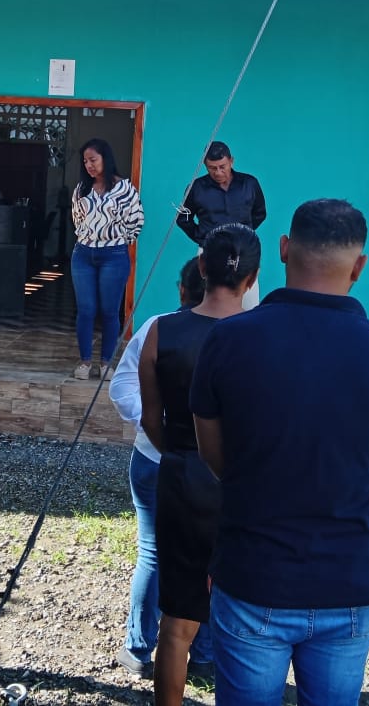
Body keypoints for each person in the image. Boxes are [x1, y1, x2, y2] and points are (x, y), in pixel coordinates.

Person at [191, 199, 369, 706]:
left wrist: (262, 489)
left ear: (282, 250)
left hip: (253, 572)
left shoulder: (228, 341)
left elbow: (214, 454)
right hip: (349, 581)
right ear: (359, 267)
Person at [139, 224, 260, 706]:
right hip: (246, 486)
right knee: (249, 620)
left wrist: (182, 451)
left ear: (202, 267)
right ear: (253, 278)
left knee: (177, 623)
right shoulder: (262, 337)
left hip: (183, 477)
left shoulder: (161, 331)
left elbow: (151, 421)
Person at [107, 257, 214, 681]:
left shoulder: (157, 328)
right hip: (203, 465)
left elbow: (122, 387)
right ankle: (200, 655)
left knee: (154, 551)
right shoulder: (240, 333)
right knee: (208, 557)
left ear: (182, 290)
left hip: (158, 457)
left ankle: (142, 648)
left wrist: (157, 427)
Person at [70, 137, 145, 379]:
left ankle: (106, 364)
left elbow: (136, 221)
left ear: (105, 158)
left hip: (114, 255)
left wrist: (115, 241)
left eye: (93, 160)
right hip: (83, 254)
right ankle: (84, 362)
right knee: (86, 309)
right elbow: (77, 220)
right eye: (85, 161)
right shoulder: (81, 189)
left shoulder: (125, 189)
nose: (89, 165)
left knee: (110, 311)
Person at [176, 141, 267, 309]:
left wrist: (244, 233)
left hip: (243, 250)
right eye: (212, 168)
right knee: (208, 302)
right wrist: (201, 237)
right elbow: (182, 218)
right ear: (205, 165)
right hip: (209, 251)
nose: (218, 172)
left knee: (249, 303)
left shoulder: (249, 184)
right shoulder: (196, 188)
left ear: (231, 161)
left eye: (222, 166)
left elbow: (260, 213)